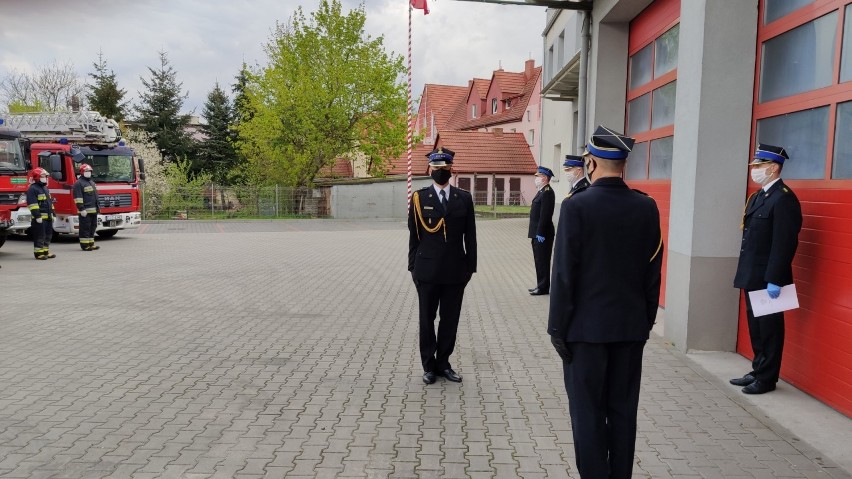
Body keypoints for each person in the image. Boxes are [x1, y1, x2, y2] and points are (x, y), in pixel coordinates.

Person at [548, 125, 663, 478]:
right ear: (623, 165)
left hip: (585, 333)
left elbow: (564, 274)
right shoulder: (647, 206)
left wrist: (557, 329)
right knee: (623, 412)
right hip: (629, 330)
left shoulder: (576, 207)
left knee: (587, 413)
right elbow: (653, 270)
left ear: (592, 163)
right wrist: (644, 322)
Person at [730, 143, 802, 395]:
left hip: (768, 278)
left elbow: (785, 242)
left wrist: (774, 278)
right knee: (756, 328)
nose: (755, 170)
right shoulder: (760, 196)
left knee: (770, 330)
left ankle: (767, 379)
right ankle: (758, 370)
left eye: (759, 166)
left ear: (773, 168)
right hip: (752, 273)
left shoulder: (783, 198)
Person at [408, 147, 477, 384]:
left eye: (444, 168)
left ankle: (443, 363)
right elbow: (414, 236)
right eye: (436, 168)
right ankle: (428, 366)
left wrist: (470, 267)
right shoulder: (419, 198)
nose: (440, 172)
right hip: (426, 271)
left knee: (450, 320)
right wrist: (412, 268)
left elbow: (471, 236)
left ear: (451, 169)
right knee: (427, 320)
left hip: (456, 271)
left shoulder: (464, 198)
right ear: (430, 170)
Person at [528, 166, 555, 296]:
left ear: (544, 178)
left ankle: (543, 288)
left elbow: (545, 215)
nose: (536, 179)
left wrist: (540, 233)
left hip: (542, 234)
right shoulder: (541, 191)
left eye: (538, 176)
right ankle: (540, 285)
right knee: (539, 260)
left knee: (543, 261)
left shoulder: (548, 192)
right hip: (536, 233)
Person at [26, 167, 56, 260]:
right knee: (40, 235)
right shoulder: (32, 189)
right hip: (39, 218)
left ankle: (45, 251)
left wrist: (53, 213)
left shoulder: (45, 188)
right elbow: (32, 204)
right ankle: (38, 253)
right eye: (43, 176)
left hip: (48, 217)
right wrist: (37, 216)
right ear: (37, 177)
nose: (45, 178)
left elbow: (49, 202)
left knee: (48, 235)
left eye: (46, 176)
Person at [73, 163, 101, 251]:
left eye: (89, 171)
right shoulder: (78, 183)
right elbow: (78, 198)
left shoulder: (91, 182)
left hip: (94, 210)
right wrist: (81, 209)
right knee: (85, 228)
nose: (88, 173)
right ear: (82, 172)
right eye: (86, 171)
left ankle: (91, 243)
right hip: (85, 211)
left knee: (93, 227)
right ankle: (85, 245)